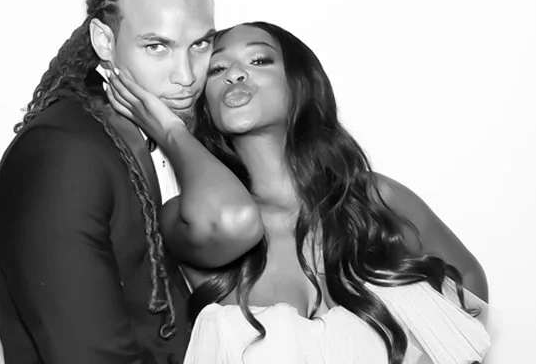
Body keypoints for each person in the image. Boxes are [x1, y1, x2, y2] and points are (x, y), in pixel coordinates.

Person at [103, 20, 490, 363]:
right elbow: (228, 219)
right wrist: (173, 132)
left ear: (299, 82)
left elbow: (471, 285)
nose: (234, 74)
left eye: (258, 61)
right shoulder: (187, 217)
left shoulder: (375, 199)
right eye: (217, 68)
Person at [0, 0, 262, 364]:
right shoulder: (62, 154)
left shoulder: (172, 137)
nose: (186, 76)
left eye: (201, 45)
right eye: (157, 47)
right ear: (104, 42)